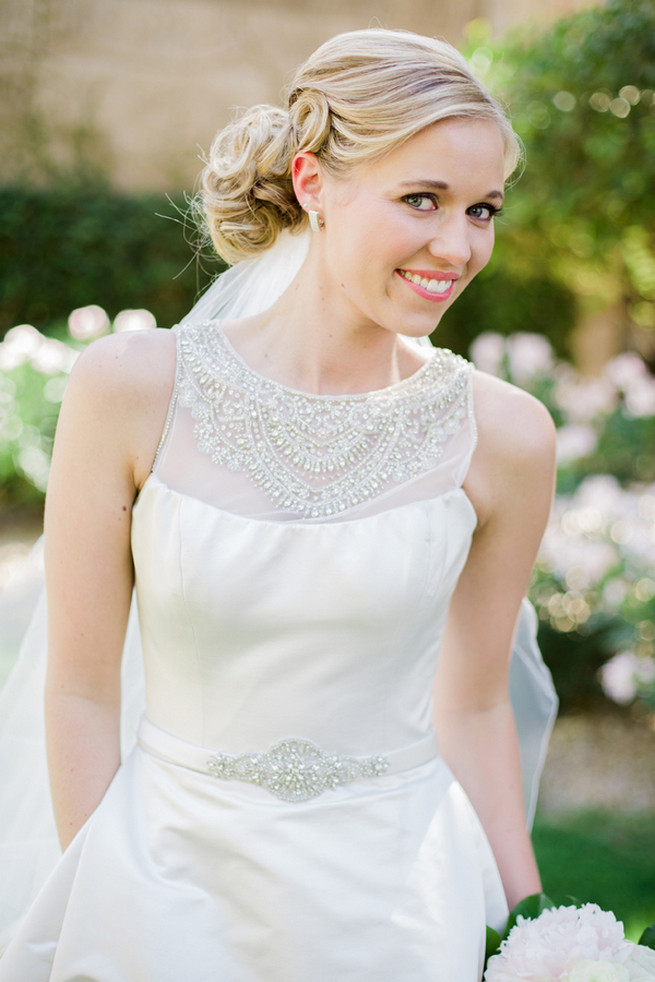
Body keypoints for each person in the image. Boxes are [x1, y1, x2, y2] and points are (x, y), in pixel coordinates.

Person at [0, 27, 558, 981]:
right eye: (421, 198)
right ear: (311, 183)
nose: (457, 244)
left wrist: (541, 934)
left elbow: (471, 710)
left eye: (482, 209)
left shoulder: (504, 437)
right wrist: (106, 892)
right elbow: (82, 688)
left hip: (398, 912)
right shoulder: (133, 389)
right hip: (161, 892)